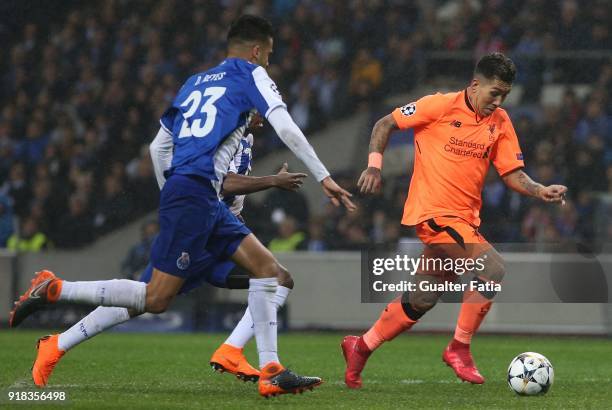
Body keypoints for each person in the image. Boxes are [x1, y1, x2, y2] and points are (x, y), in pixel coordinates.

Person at [11, 15, 355, 398]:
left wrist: (172, 190)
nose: (269, 65)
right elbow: (287, 126)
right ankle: (56, 289)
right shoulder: (252, 75)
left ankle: (268, 367)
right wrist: (324, 177)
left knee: (271, 273)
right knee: (154, 298)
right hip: (196, 198)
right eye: (269, 56)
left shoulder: (195, 83)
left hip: (202, 201)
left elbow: (158, 147)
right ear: (257, 51)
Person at [342, 52, 567, 388]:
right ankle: (459, 348)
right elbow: (384, 123)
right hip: (433, 214)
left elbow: (512, 172)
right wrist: (374, 166)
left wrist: (539, 190)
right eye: (494, 92)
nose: (499, 100)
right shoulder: (439, 105)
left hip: (464, 221)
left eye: (504, 94)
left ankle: (361, 346)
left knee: (422, 297)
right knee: (492, 268)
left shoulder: (501, 121)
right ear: (475, 85)